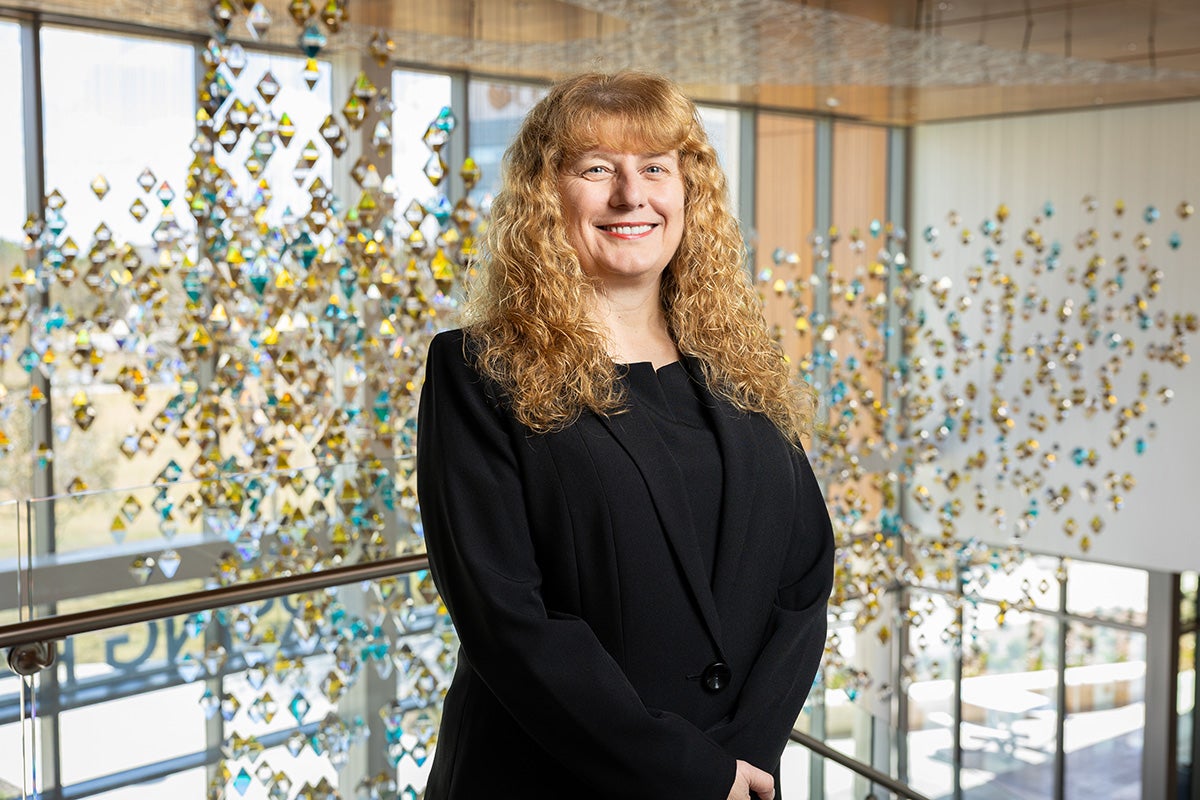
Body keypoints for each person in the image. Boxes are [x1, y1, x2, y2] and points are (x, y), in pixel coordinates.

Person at [416, 70, 834, 800]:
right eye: (598, 168)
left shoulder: (740, 365)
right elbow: (510, 621)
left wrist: (745, 756)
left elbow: (803, 580)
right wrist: (690, 771)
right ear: (548, 194)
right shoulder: (478, 370)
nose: (630, 195)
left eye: (655, 168)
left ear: (687, 193)